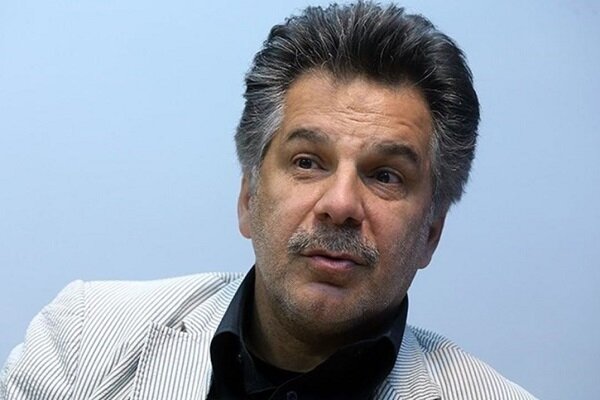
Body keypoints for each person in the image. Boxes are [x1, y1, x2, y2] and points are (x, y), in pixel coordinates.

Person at [1, 2, 536, 399]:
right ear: (248, 195)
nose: (340, 204)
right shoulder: (84, 337)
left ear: (431, 233)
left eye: (385, 175)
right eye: (307, 162)